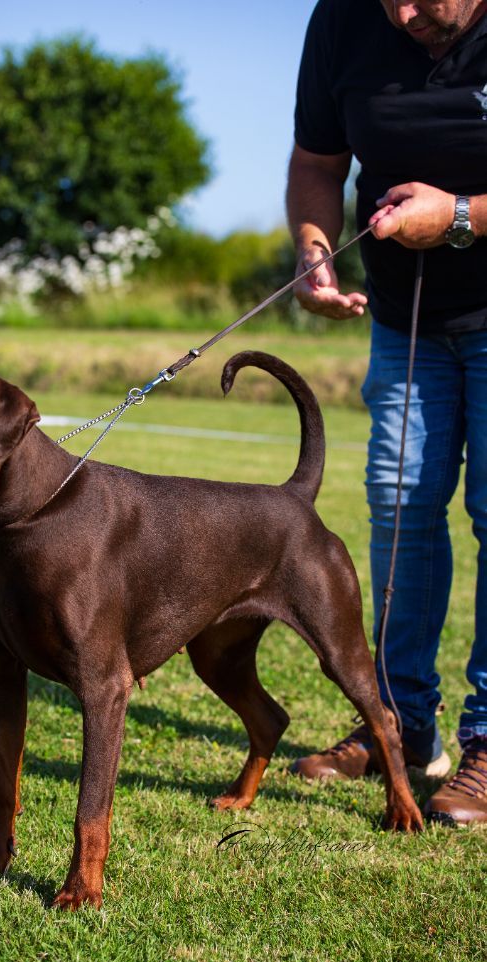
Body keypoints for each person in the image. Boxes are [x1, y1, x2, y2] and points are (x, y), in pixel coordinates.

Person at [286, 0, 487, 824]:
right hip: (408, 321)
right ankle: (399, 724)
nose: (402, 13)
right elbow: (316, 162)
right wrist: (313, 250)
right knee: (400, 505)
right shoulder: (340, 19)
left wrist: (463, 216)